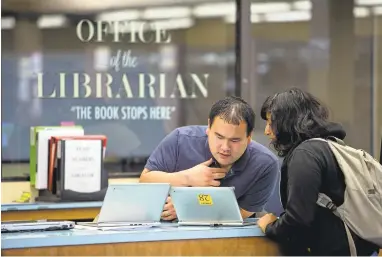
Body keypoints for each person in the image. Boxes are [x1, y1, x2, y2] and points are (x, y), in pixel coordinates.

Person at [257, 88, 380, 256]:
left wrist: (270, 227)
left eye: (271, 123)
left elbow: (298, 219)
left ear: (287, 122)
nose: (266, 131)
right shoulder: (329, 146)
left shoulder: (305, 155)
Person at [139, 96, 279, 221]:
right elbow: (145, 180)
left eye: (235, 140)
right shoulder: (179, 140)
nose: (225, 147)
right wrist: (187, 178)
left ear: (249, 138)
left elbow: (244, 212)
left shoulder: (265, 164)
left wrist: (187, 209)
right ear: (208, 128)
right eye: (219, 137)